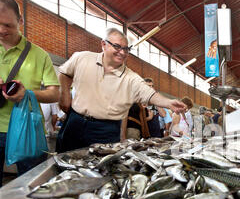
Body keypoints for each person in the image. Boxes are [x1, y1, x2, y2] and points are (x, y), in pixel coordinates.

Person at [57, 28, 186, 152]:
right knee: (64, 160)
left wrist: (168, 103)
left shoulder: (130, 78)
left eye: (126, 49)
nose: (123, 52)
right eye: (117, 47)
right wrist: (64, 95)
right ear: (104, 44)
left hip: (105, 130)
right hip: (74, 122)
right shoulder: (82, 58)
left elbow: (150, 94)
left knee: (101, 169)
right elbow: (65, 73)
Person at [0, 0, 60, 187]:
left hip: (28, 130)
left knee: (31, 186)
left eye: (8, 25)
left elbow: (54, 93)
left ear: (21, 21)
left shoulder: (39, 55)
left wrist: (27, 94)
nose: (2, 30)